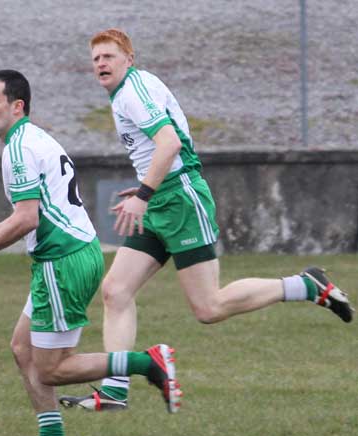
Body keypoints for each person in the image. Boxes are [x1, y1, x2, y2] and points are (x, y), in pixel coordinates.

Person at [59, 28, 354, 412]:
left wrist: (146, 193)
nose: (101, 63)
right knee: (115, 291)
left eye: (109, 56)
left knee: (209, 308)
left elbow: (170, 143)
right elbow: (159, 149)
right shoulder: (126, 93)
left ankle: (306, 285)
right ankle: (115, 391)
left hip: (180, 200)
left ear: (129, 59)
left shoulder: (133, 90)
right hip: (161, 198)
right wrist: (146, 189)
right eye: (96, 58)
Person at [0, 69, 182, 436]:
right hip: (71, 254)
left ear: (17, 106)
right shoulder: (32, 138)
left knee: (52, 367)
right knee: (22, 348)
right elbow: (32, 213)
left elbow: (27, 220)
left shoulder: (18, 149)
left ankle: (146, 362)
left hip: (62, 262)